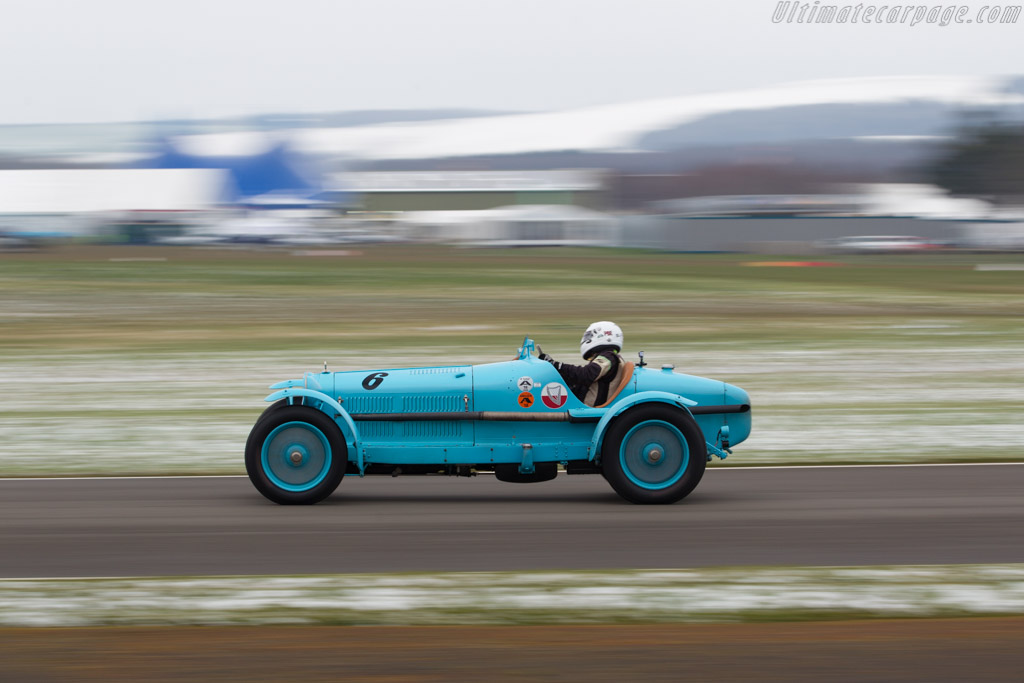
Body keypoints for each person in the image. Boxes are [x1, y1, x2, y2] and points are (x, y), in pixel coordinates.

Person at [538, 321, 626, 407]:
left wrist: (556, 365)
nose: (587, 339)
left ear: (604, 336)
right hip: (582, 401)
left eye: (589, 336)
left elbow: (586, 374)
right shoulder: (610, 357)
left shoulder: (609, 356)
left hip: (587, 407)